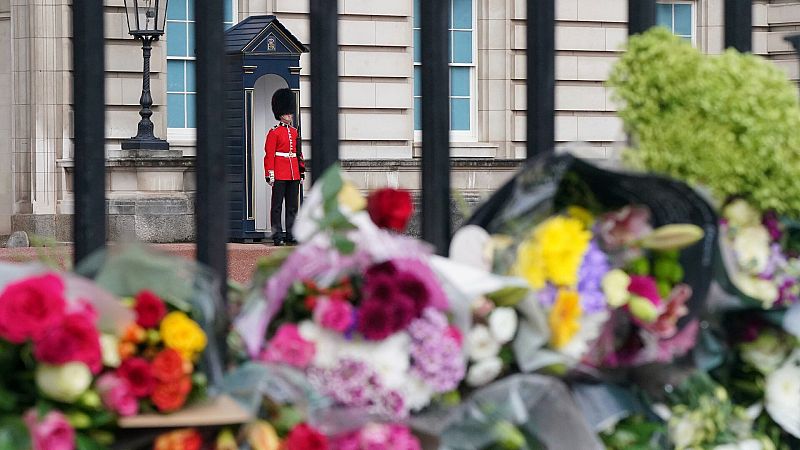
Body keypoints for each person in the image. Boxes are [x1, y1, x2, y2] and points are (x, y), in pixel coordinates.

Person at [264, 88, 305, 246]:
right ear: (280, 113)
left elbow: (298, 154)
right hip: (280, 172)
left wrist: (301, 171)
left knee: (292, 206)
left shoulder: (295, 132)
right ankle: (277, 235)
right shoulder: (274, 133)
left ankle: (291, 233)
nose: (289, 115)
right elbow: (269, 154)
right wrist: (270, 173)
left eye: (290, 112)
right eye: (287, 112)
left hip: (293, 172)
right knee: (277, 206)